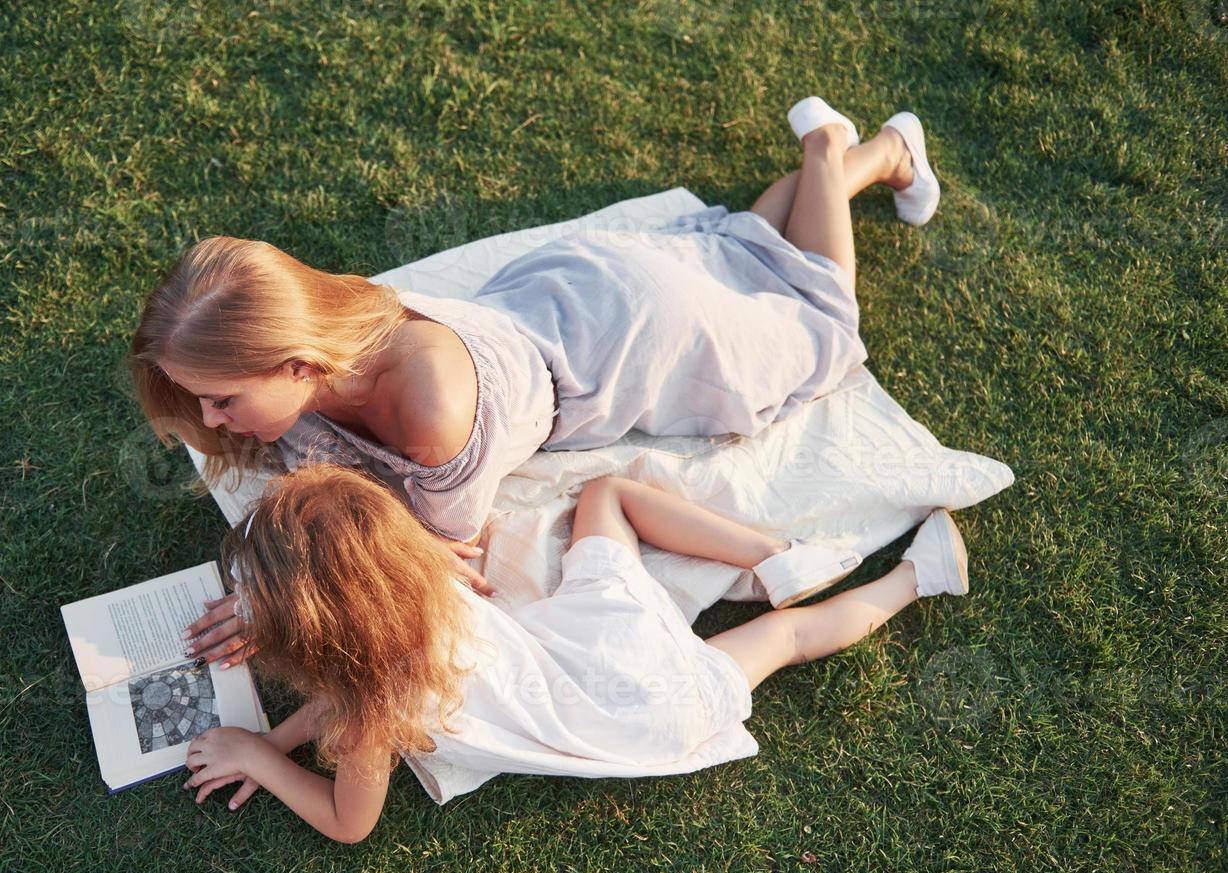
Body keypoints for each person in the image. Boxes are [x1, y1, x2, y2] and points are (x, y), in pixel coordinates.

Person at [128, 97, 940, 605]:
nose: (209, 420)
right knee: (749, 251)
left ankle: (825, 150)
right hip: (566, 292)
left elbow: (438, 546)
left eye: (221, 399)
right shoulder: (325, 323)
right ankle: (882, 154)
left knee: (821, 325)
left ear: (297, 365)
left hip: (632, 338)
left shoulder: (432, 417)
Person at [179, 464, 969, 844]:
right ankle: (781, 558)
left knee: (783, 642)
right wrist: (273, 742)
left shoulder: (369, 709)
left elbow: (347, 821)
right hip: (604, 655)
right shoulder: (418, 588)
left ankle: (914, 577)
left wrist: (259, 752)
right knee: (608, 497)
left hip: (653, 715)